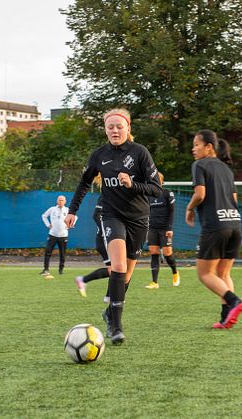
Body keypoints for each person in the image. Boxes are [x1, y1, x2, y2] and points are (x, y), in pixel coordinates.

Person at [65, 108, 162, 345]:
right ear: (105, 129)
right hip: (111, 215)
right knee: (117, 266)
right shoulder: (99, 155)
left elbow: (156, 189)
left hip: (139, 218)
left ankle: (109, 313)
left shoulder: (140, 153)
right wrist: (72, 210)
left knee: (126, 276)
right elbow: (84, 183)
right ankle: (116, 326)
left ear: (128, 128)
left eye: (119, 126)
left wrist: (132, 184)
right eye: (111, 127)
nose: (115, 130)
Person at [185, 129, 242, 329]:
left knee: (205, 274)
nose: (193, 149)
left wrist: (189, 208)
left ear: (209, 147)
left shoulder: (200, 165)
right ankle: (225, 318)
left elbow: (200, 194)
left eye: (196, 144)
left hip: (215, 226)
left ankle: (234, 301)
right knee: (223, 273)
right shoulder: (226, 169)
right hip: (235, 224)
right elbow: (235, 199)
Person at [75, 176, 111, 298]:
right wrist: (108, 231)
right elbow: (97, 215)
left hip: (109, 239)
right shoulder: (107, 195)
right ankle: (109, 296)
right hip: (105, 240)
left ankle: (109, 296)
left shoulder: (117, 198)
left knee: (117, 270)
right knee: (117, 269)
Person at [145, 172, 180, 289]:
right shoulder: (148, 195)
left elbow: (172, 211)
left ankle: (175, 271)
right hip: (152, 228)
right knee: (154, 253)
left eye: (157, 178)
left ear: (161, 181)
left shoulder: (167, 193)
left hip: (165, 229)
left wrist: (170, 228)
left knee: (167, 254)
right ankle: (154, 282)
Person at [40, 195, 71, 277]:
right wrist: (48, 224)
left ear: (65, 201)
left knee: (62, 253)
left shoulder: (67, 210)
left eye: (62, 200)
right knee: (48, 252)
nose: (61, 202)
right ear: (57, 201)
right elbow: (44, 216)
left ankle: (61, 270)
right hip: (53, 234)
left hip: (63, 235)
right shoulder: (52, 209)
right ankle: (46, 269)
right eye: (59, 200)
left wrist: (70, 225)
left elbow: (75, 217)